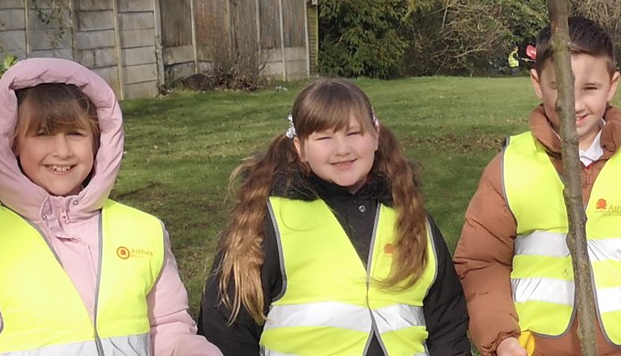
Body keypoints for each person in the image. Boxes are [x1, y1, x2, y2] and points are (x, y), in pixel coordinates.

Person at [0, 59, 217, 355]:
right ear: (14, 142)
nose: (62, 151)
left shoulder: (145, 233)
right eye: (42, 134)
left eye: (75, 133)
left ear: (98, 141)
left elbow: (169, 331)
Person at [458, 16, 621, 356]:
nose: (575, 104)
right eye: (560, 87)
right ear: (537, 83)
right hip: (539, 350)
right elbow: (481, 262)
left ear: (613, 85)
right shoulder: (509, 168)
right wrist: (502, 338)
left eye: (590, 88)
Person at [198, 79, 473, 356]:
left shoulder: (411, 217)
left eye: (354, 133)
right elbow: (225, 328)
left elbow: (447, 322)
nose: (342, 149)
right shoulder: (269, 220)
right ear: (300, 148)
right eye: (324, 137)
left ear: (376, 136)